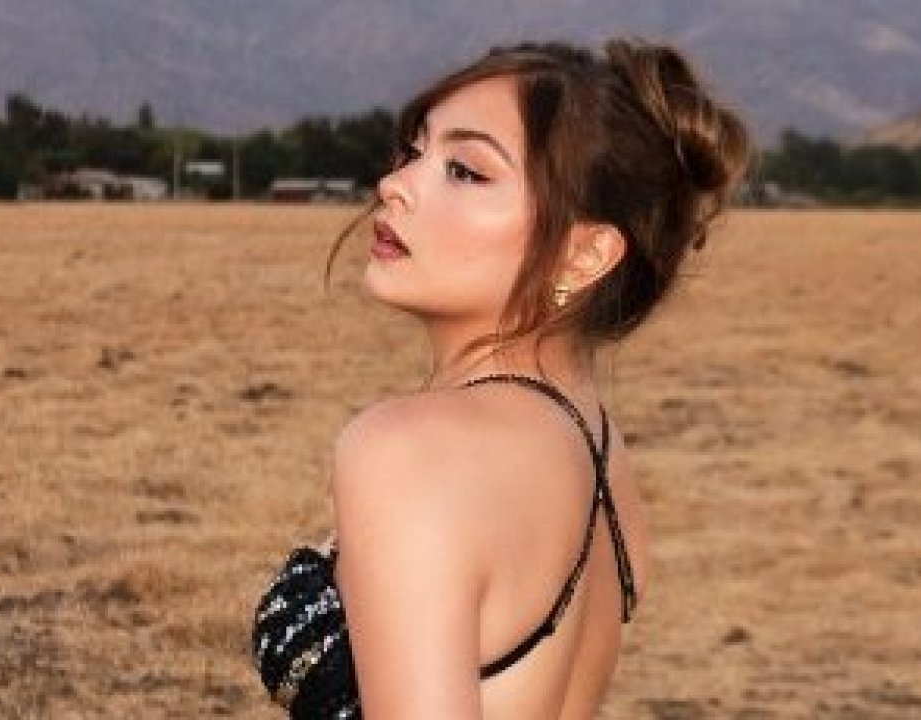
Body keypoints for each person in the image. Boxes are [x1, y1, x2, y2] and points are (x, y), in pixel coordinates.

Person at [251, 36, 749, 718]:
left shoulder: (410, 450)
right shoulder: (599, 453)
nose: (394, 185)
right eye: (414, 151)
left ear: (583, 256)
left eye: (465, 171)